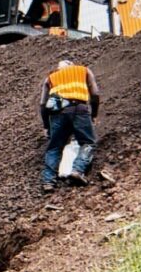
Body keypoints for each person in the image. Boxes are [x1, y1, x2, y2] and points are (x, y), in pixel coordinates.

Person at [39, 59, 101, 191]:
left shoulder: (50, 78)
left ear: (58, 68)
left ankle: (48, 181)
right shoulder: (83, 70)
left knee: (54, 147)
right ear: (72, 66)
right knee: (88, 142)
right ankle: (77, 170)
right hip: (79, 109)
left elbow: (43, 105)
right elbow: (95, 94)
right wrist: (94, 114)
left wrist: (46, 126)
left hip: (58, 113)